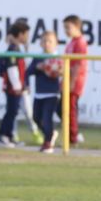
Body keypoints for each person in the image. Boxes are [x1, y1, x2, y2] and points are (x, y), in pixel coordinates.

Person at [0, 19, 29, 147]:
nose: (27, 38)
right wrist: (18, 86)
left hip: (15, 87)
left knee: (13, 111)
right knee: (11, 111)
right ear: (20, 34)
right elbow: (12, 68)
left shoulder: (18, 48)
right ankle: (1, 135)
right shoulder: (13, 49)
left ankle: (9, 136)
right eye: (26, 34)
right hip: (12, 87)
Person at [27, 30, 62, 152]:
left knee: (47, 118)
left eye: (50, 41)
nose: (47, 44)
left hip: (52, 94)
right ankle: (51, 134)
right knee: (36, 118)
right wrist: (38, 68)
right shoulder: (38, 58)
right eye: (44, 41)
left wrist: (56, 70)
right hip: (39, 94)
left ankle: (48, 143)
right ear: (40, 43)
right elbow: (29, 71)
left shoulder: (58, 59)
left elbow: (63, 72)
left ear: (56, 44)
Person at [62, 14, 88, 145]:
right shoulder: (72, 42)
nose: (66, 30)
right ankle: (72, 133)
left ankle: (72, 138)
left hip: (74, 82)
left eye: (68, 27)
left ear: (77, 27)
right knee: (62, 108)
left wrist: (71, 82)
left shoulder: (80, 42)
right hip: (67, 80)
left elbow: (78, 64)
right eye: (65, 28)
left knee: (71, 110)